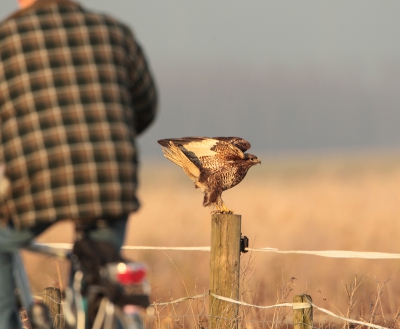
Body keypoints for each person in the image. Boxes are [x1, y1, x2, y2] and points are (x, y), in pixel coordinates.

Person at [0, 0, 158, 327]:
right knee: (97, 264)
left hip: (39, 183)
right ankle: (94, 302)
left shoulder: (6, 41)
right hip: (113, 182)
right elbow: (146, 107)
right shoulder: (115, 33)